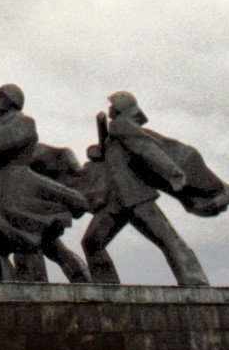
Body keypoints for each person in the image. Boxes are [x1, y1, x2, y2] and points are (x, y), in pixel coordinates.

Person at [0, 83, 91, 283]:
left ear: (11, 102)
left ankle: (47, 286)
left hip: (15, 191)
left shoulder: (24, 123)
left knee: (24, 242)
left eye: (2, 98)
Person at [80, 91, 212, 287]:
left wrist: (173, 173)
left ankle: (195, 282)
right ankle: (107, 288)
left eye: (112, 105)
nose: (109, 108)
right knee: (92, 242)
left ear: (120, 108)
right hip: (116, 200)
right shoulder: (114, 133)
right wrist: (100, 150)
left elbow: (147, 149)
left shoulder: (121, 125)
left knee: (168, 239)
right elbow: (112, 159)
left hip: (136, 197)